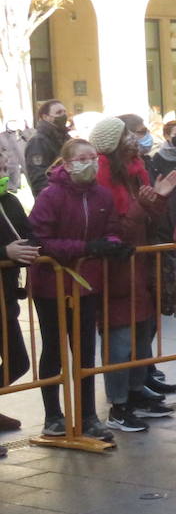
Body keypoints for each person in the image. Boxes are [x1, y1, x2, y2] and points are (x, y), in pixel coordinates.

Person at [87, 115, 176, 430]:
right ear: (114, 144)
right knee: (120, 339)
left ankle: (136, 391)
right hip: (116, 270)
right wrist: (143, 205)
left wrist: (159, 198)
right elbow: (117, 227)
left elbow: (149, 219)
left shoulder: (132, 171)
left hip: (138, 266)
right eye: (128, 135)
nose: (135, 139)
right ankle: (118, 405)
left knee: (141, 333)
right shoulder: (104, 176)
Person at [28, 139, 119, 442]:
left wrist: (114, 246)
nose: (89, 163)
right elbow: (40, 240)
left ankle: (88, 415)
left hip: (86, 285)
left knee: (85, 351)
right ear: (66, 164)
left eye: (93, 157)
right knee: (53, 348)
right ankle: (53, 416)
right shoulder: (50, 196)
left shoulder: (102, 195)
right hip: (51, 285)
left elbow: (112, 228)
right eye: (82, 158)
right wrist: (85, 248)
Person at [0, 172, 37, 443]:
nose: (4, 161)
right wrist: (5, 253)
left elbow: (28, 235)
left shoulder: (9, 200)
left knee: (18, 362)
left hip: (6, 297)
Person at [25, 99, 71, 195]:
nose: (63, 115)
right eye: (59, 112)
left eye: (64, 112)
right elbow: (39, 178)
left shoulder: (65, 137)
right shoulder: (38, 141)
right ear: (45, 117)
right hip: (53, 198)